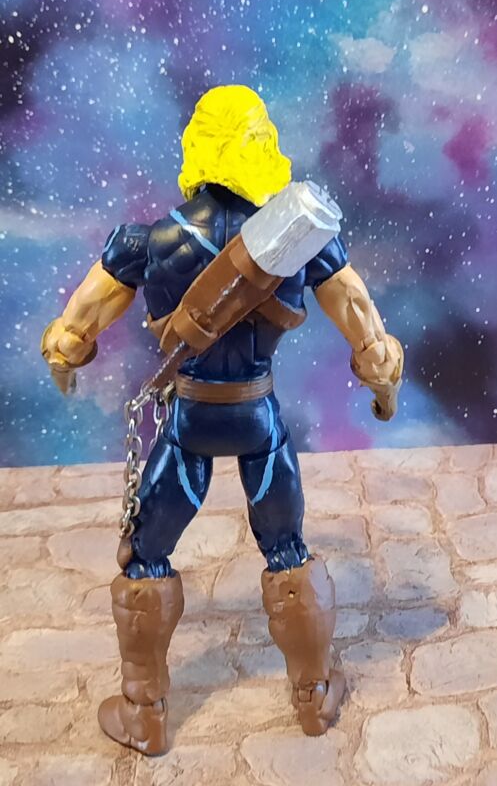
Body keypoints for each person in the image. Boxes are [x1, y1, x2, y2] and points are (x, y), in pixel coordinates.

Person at [41, 84, 403, 755]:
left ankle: (144, 713)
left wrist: (65, 354)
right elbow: (362, 321)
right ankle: (312, 698)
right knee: (286, 550)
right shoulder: (301, 240)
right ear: (261, 144)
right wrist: (382, 384)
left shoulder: (147, 242)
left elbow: (77, 323)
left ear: (197, 148)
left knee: (146, 556)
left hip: (189, 422)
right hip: (258, 419)